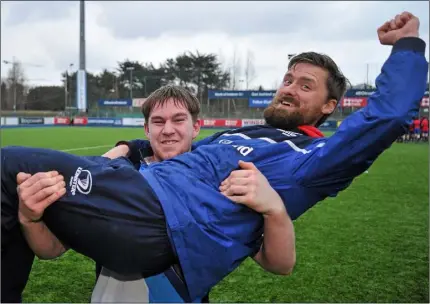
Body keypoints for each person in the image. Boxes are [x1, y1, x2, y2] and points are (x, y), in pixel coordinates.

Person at [1, 12, 427, 301]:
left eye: (306, 85)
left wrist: (406, 46)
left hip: (158, 222)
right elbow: (166, 150)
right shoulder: (237, 138)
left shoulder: (313, 155)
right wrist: (128, 150)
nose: (288, 88)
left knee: (5, 166)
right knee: (14, 186)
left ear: (330, 106)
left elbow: (385, 117)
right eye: (287, 78)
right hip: (136, 211)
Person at [7, 87, 296, 303]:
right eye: (158, 121)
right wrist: (30, 219)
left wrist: (275, 210)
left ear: (196, 127)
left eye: (178, 119)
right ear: (146, 129)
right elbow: (53, 249)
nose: (167, 130)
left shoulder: (222, 180)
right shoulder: (117, 176)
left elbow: (279, 264)